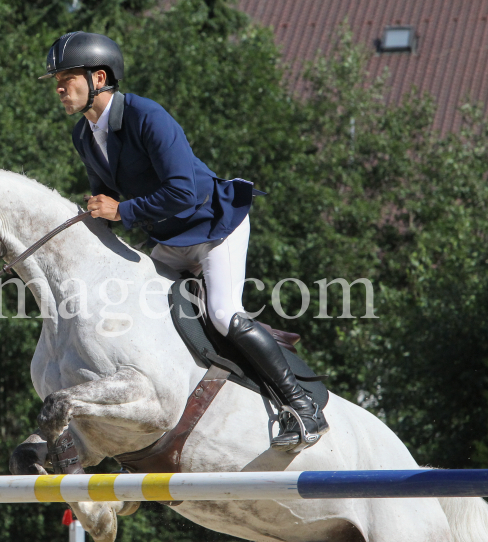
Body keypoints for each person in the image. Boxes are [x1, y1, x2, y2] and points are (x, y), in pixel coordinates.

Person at [39, 31, 328, 450]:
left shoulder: (145, 116)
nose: (60, 88)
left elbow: (184, 192)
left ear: (98, 77)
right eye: (58, 81)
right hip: (171, 239)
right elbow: (109, 200)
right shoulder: (84, 135)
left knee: (224, 313)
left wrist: (120, 211)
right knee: (134, 308)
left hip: (214, 225)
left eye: (67, 78)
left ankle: (302, 408)